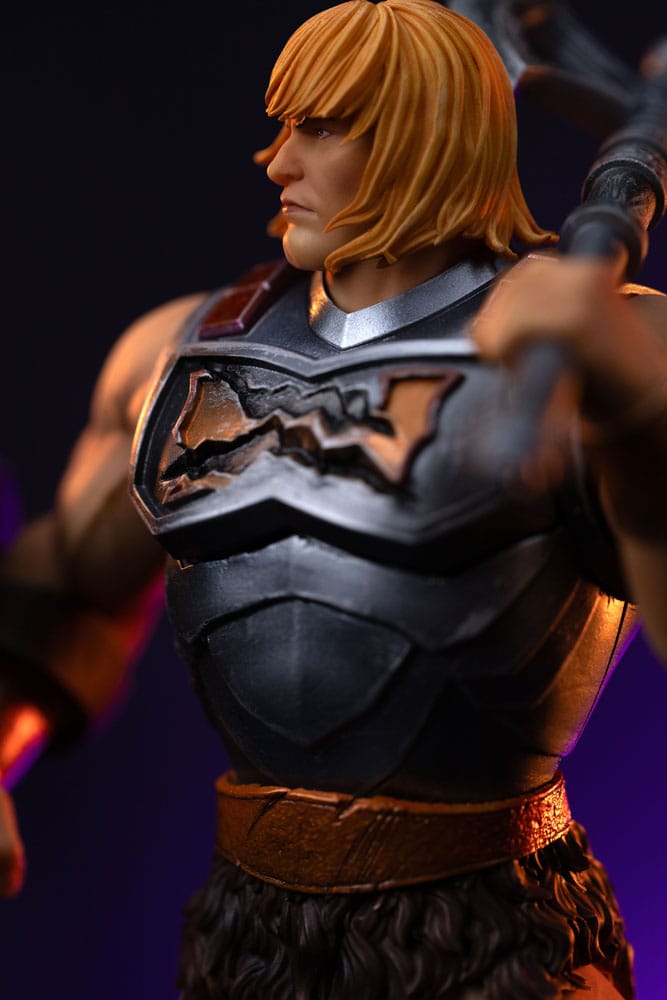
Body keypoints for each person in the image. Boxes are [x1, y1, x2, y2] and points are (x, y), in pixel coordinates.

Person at [1, 1, 666, 997]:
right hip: (251, 934)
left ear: (428, 141)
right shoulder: (181, 353)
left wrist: (634, 404)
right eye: (282, 126)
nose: (276, 163)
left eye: (321, 129)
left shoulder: (613, 340)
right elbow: (60, 596)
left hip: (500, 931)